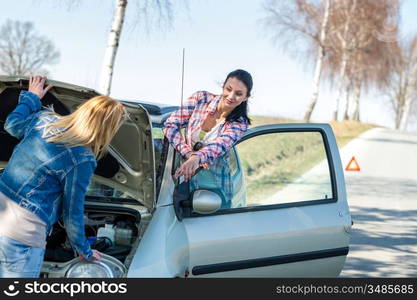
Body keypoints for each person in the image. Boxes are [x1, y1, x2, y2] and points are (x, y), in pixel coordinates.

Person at [0, 76, 127, 278]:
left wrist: (31, 98)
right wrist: (83, 250)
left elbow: (11, 124)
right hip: (23, 233)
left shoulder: (44, 121)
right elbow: (72, 213)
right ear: (108, 129)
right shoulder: (83, 158)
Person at [163, 69, 253, 203]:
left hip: (215, 190)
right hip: (184, 183)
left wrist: (197, 158)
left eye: (239, 94)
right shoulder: (201, 99)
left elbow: (218, 145)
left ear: (246, 97)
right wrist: (188, 154)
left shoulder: (240, 123)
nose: (231, 96)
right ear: (223, 86)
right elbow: (170, 125)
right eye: (228, 89)